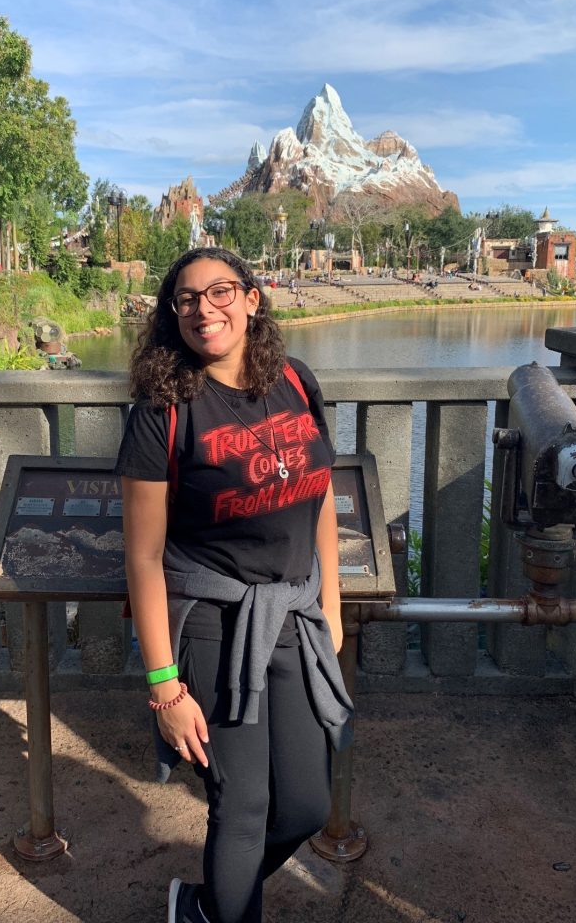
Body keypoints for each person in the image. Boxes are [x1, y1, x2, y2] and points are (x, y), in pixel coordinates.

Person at [115, 247, 352, 923]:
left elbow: (321, 499)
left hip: (294, 618)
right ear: (171, 317)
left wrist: (330, 608)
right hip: (214, 623)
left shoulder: (296, 382)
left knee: (306, 803)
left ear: (253, 299)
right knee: (243, 808)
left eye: (219, 292)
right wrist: (164, 687)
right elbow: (144, 558)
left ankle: (201, 909)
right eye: (185, 300)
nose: (203, 309)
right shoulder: (162, 412)